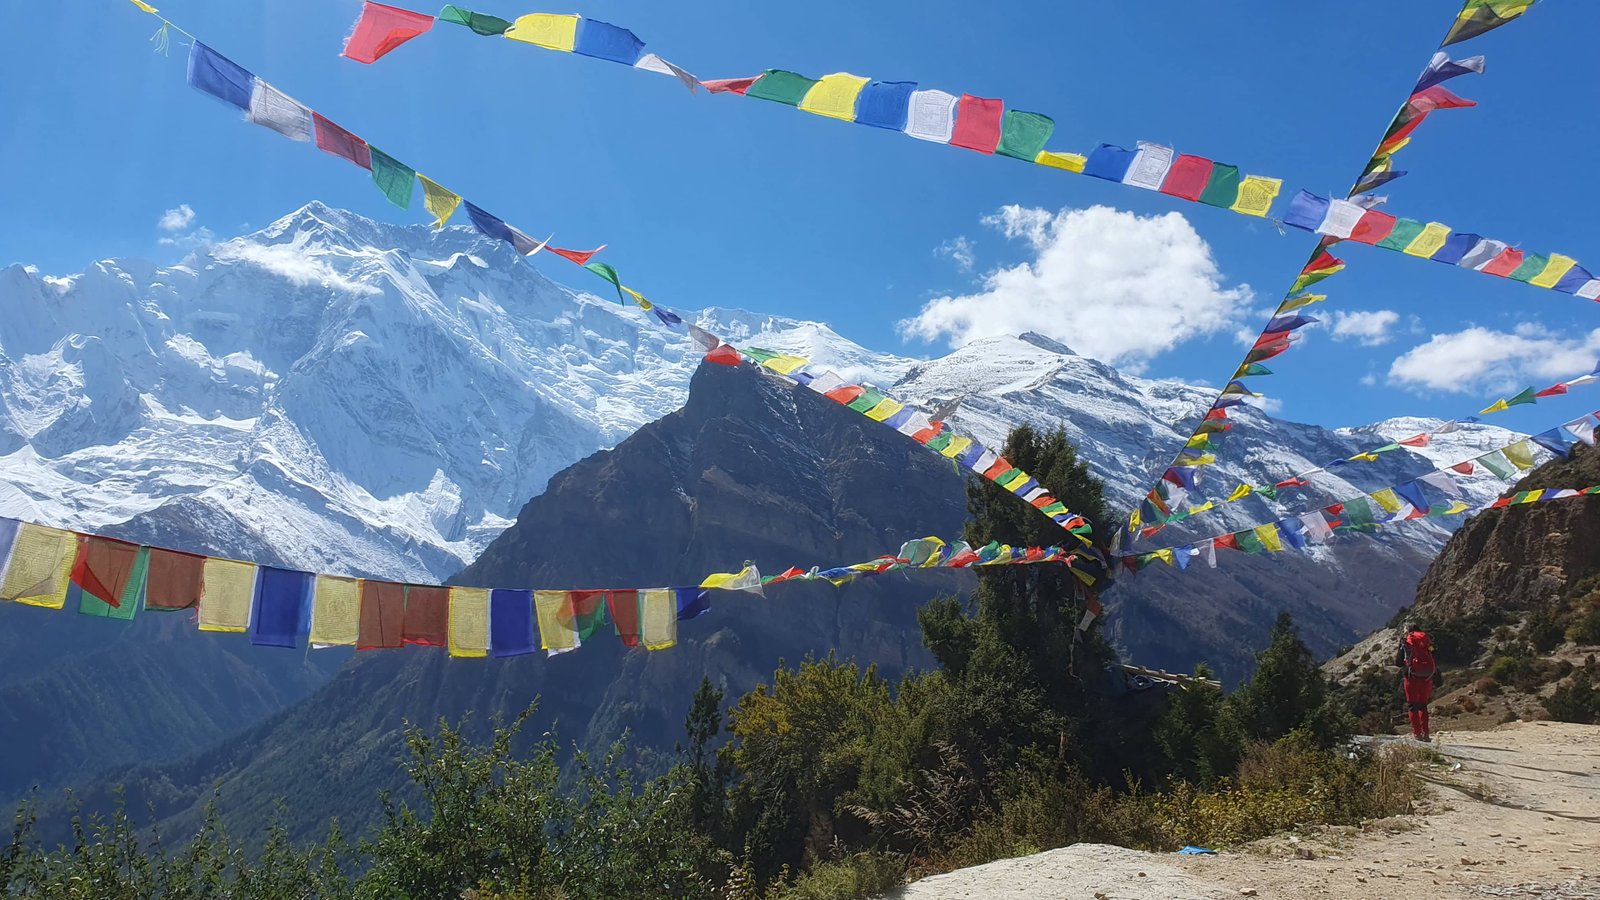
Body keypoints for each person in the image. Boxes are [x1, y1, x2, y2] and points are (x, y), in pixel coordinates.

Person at [1396, 628, 1443, 742]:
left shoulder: (1406, 643)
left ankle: (1417, 734)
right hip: (1427, 678)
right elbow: (1435, 656)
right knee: (1423, 705)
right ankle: (1425, 733)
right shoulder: (1426, 642)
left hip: (1411, 679)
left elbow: (1398, 662)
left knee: (1412, 706)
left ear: (1408, 631)